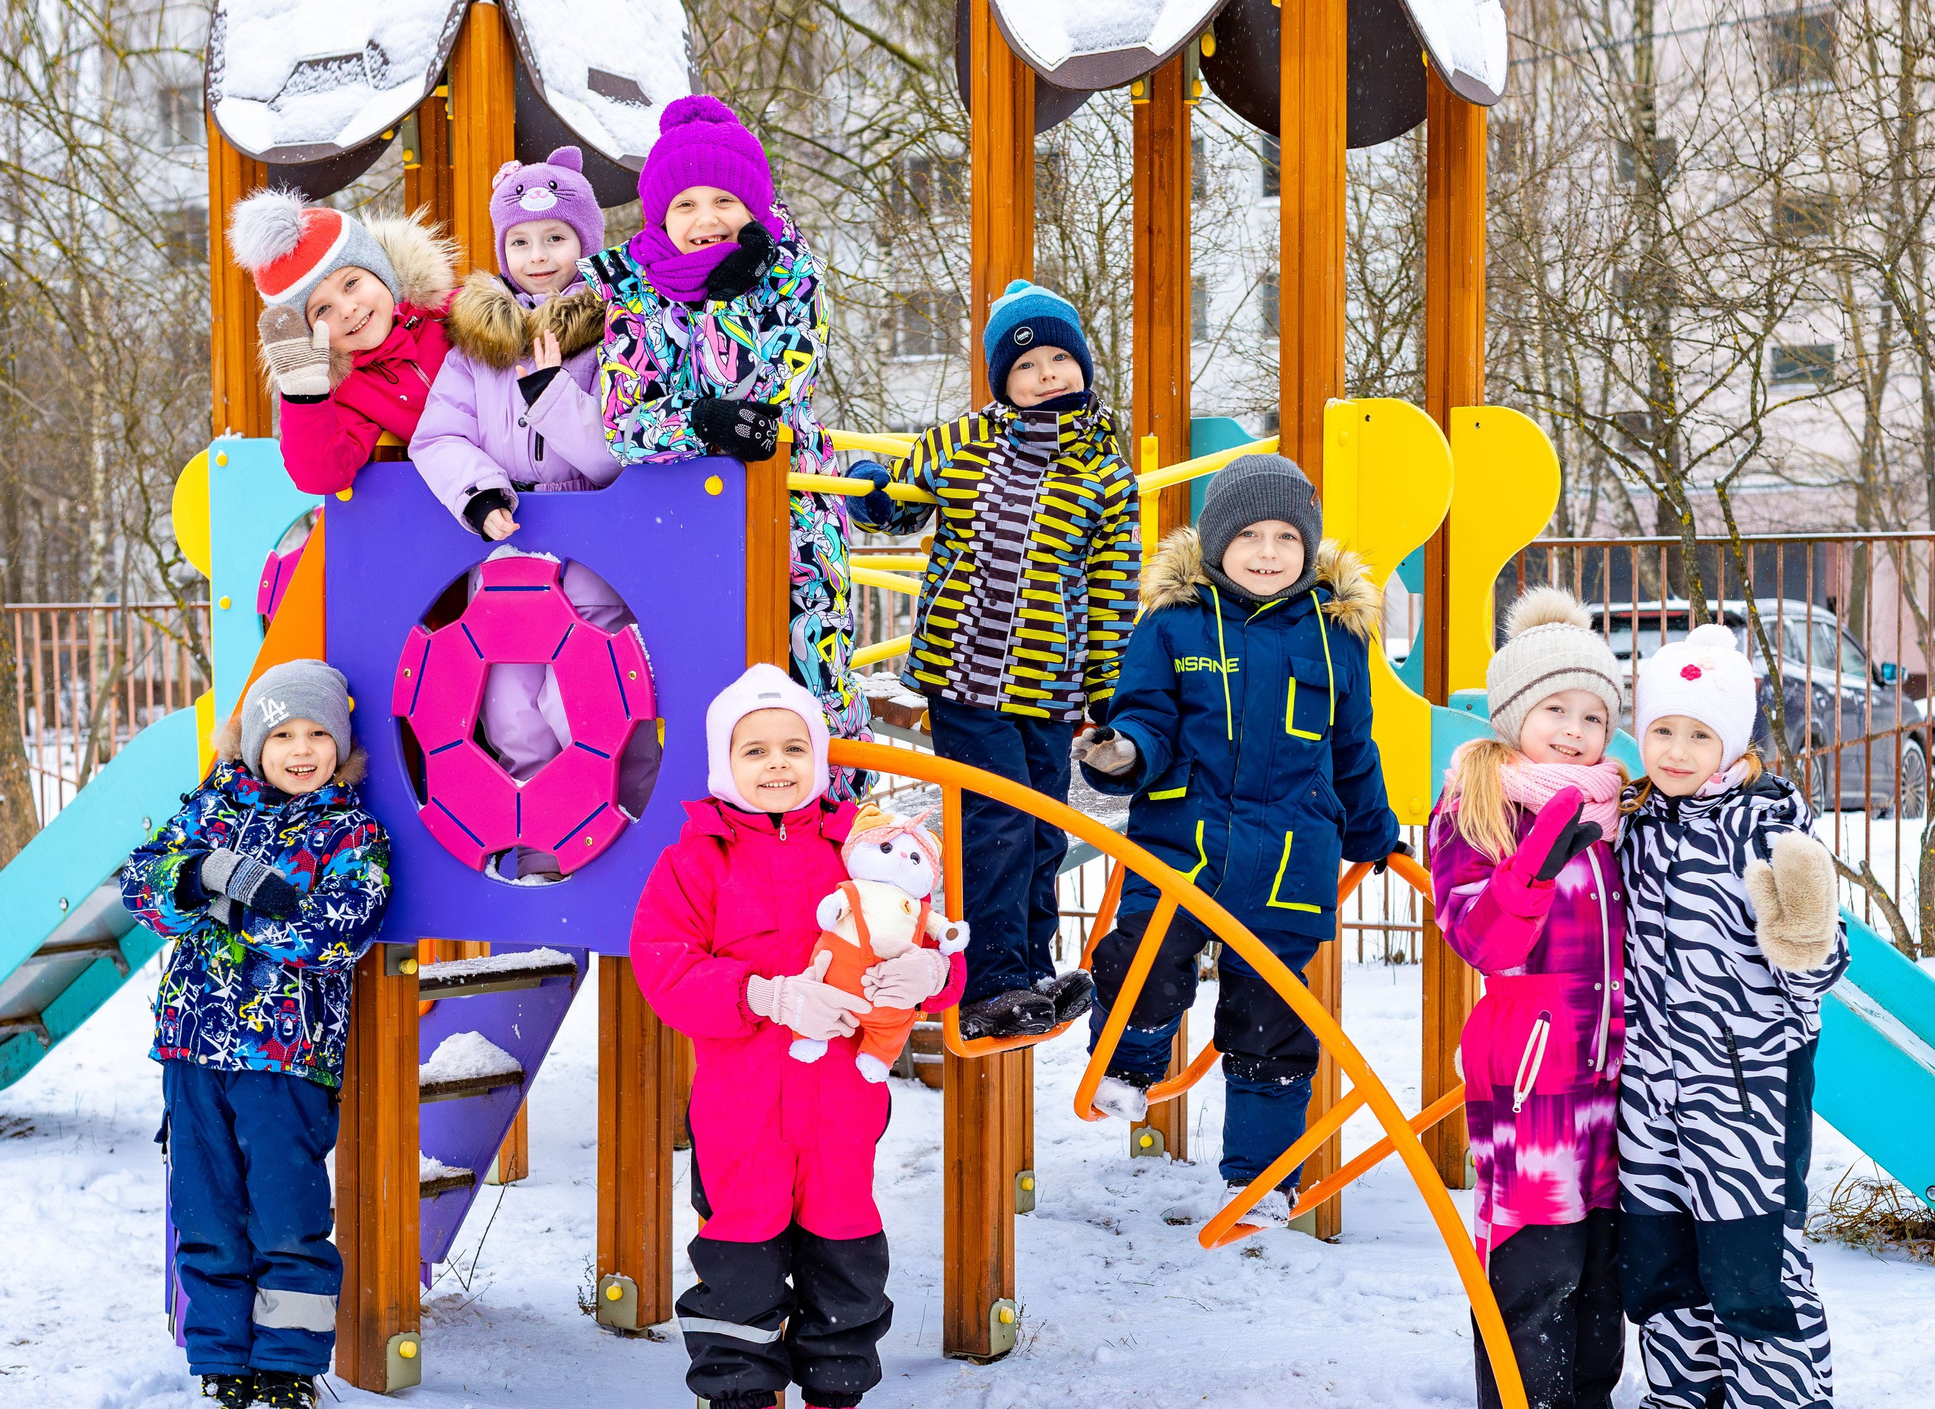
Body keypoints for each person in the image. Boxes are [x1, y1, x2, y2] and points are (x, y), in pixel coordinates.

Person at [629, 664, 967, 1409]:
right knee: (739, 1261)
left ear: (819, 757)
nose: (776, 763)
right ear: (724, 763)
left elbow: (935, 939)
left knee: (845, 1258)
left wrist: (929, 974)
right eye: (754, 750)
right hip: (741, 1110)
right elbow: (664, 966)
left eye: (793, 747)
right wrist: (765, 994)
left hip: (841, 1106)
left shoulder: (862, 852)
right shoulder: (695, 862)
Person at [1074, 455, 1395, 1227]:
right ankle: (1129, 1061)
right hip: (1185, 843)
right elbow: (1145, 714)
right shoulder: (1173, 623)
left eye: (1287, 536)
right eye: (1249, 534)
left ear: (1308, 545)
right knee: (1143, 955)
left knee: (1270, 1019)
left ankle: (1260, 1179)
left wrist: (1376, 832)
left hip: (1290, 859)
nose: (1268, 551)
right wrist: (1124, 750)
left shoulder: (1336, 635)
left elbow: (1353, 748)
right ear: (1217, 541)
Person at [840, 278, 1140, 1037]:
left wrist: (1108, 688)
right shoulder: (962, 441)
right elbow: (899, 503)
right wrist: (871, 490)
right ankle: (989, 980)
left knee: (1043, 827)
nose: (1046, 375)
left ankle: (1032, 968)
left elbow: (1111, 585)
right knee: (997, 819)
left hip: (1050, 683)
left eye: (1058, 359)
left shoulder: (1104, 468)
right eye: (1026, 365)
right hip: (965, 670)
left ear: (1082, 366)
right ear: (1003, 380)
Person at [119, 661, 391, 1409]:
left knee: (286, 1216)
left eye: (317, 734)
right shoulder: (211, 808)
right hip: (193, 1050)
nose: (301, 750)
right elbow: (142, 886)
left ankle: (286, 1370)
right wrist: (204, 875)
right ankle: (221, 1364)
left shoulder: (352, 833)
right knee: (206, 1212)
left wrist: (223, 907)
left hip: (287, 1057)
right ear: (255, 744)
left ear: (340, 746)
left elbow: (334, 932)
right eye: (283, 735)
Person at [1618, 621, 1847, 1409]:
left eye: (1698, 733)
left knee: (1752, 1257)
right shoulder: (1635, 824)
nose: (1676, 750)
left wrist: (1808, 937)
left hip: (1747, 1085)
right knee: (1660, 1255)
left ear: (1734, 740)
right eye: (1662, 729)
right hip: (1650, 1085)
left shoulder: (1770, 831)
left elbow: (1821, 968)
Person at [584, 96, 865, 788]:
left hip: (788, 515)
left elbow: (760, 403)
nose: (705, 219)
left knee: (806, 670)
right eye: (684, 205)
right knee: (688, 678)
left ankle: (832, 817)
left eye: (723, 201)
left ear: (753, 207)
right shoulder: (635, 291)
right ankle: (701, 828)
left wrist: (726, 301)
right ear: (660, 216)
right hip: (678, 517)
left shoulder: (790, 276)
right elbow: (623, 421)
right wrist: (699, 424)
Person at [1425, 589, 1630, 1409]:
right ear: (1514, 715)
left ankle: (1583, 1406)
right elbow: (1479, 937)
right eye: (1556, 710)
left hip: (1613, 1064)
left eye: (1594, 716)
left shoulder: (1613, 811)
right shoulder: (1479, 806)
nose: (1576, 732)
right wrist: (1533, 867)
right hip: (1531, 1060)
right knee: (1534, 1247)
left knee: (1601, 1251)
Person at [407, 148, 632, 877]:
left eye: (556, 238)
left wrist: (552, 393)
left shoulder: (617, 331)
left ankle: (617, 832)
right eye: (522, 241)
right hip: (509, 546)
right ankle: (545, 842)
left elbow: (618, 452)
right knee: (508, 709)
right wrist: (479, 493)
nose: (538, 256)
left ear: (585, 242)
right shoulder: (477, 346)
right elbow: (438, 436)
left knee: (590, 701)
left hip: (593, 550)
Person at [227, 188, 457, 497]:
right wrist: (304, 394)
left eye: (351, 284)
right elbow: (324, 476)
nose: (347, 310)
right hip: (463, 503)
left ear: (382, 272)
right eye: (322, 310)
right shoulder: (353, 393)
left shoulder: (456, 316)